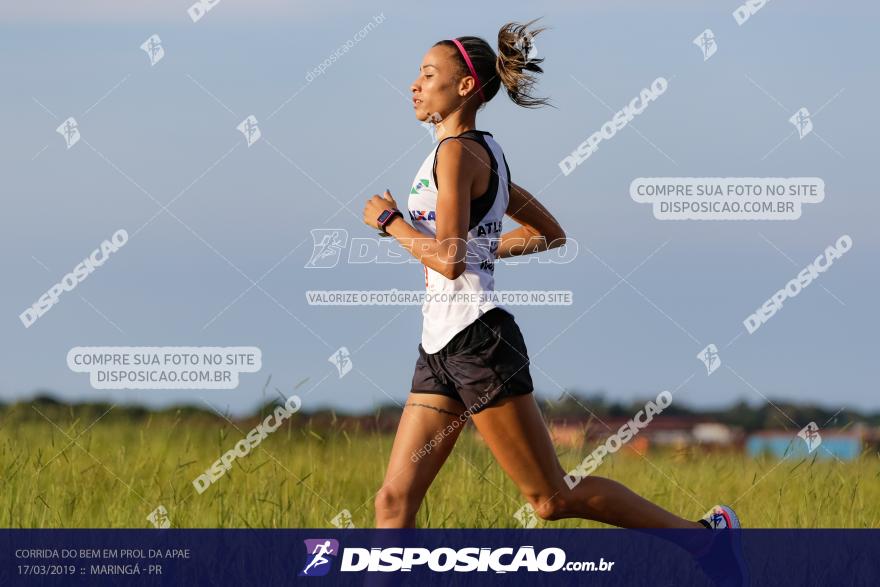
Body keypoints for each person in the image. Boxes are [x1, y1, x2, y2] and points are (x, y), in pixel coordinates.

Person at [362, 19, 742, 539]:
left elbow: (448, 261)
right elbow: (548, 234)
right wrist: (468, 249)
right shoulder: (482, 152)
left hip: (476, 341)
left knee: (550, 498)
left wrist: (391, 224)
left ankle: (704, 537)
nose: (414, 85)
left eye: (428, 75)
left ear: (465, 87)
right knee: (393, 500)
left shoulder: (456, 153)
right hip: (440, 346)